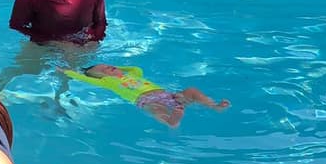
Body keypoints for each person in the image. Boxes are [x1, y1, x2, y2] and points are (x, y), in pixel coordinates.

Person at [62, 63, 230, 129]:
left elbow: (134, 67)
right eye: (103, 70)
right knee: (157, 109)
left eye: (109, 65)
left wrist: (119, 68)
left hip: (169, 95)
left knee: (191, 91)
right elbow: (85, 78)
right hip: (145, 100)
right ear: (101, 77)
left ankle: (213, 106)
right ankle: (170, 121)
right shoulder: (107, 82)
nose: (108, 68)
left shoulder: (135, 74)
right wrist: (67, 71)